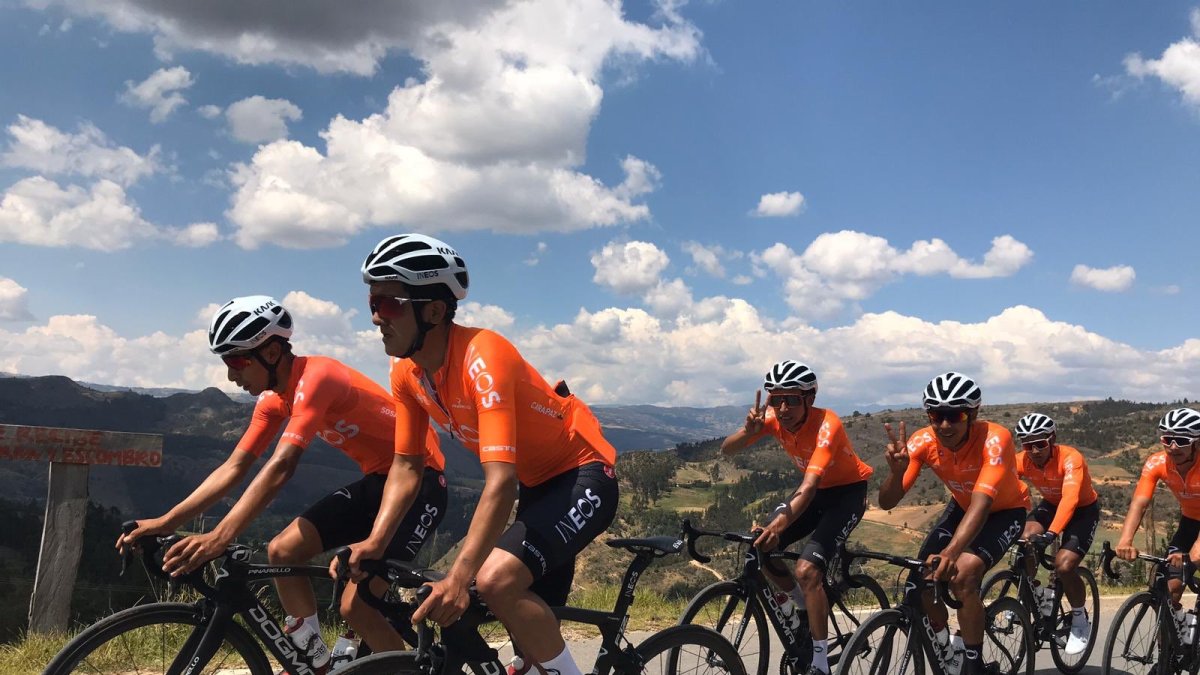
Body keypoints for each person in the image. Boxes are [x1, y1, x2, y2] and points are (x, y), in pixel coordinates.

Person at [117, 295, 447, 661]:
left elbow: (282, 465)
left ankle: (403, 670)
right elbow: (233, 467)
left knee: (357, 608)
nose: (231, 374)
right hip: (378, 483)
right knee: (281, 550)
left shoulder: (318, 376)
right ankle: (315, 659)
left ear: (272, 353)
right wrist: (166, 522)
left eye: (237, 360)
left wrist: (219, 537)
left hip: (421, 484)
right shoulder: (274, 400)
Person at [354, 233, 618, 675]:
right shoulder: (407, 372)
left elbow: (500, 481)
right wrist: (375, 543)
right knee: (523, 642)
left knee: (493, 581)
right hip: (539, 488)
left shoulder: (484, 357)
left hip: (583, 474)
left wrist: (459, 578)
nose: (377, 317)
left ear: (434, 310)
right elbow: (406, 464)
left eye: (389, 303)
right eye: (372, 303)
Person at [721, 360, 873, 675]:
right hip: (813, 494)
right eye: (776, 399)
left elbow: (809, 485)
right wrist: (748, 432)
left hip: (846, 495)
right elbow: (727, 450)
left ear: (810, 399)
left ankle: (820, 662)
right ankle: (800, 604)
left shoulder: (827, 424)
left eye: (792, 399)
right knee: (760, 546)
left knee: (806, 570)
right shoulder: (774, 419)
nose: (784, 407)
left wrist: (778, 525)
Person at [878, 372, 1030, 675]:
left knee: (963, 577)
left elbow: (983, 503)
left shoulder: (995, 438)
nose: (944, 424)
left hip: (1004, 511)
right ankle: (946, 646)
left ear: (972, 414)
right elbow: (887, 502)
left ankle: (972, 663)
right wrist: (896, 473)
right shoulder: (922, 440)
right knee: (922, 578)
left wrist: (950, 554)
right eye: (936, 415)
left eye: (954, 415)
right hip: (962, 506)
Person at [1012, 412, 1099, 655]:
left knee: (1064, 566)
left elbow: (1070, 499)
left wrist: (1052, 533)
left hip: (1082, 510)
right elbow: (1000, 482)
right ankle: (1036, 593)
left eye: (1040, 443)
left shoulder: (1071, 458)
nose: (1035, 450)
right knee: (1024, 538)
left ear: (1052, 439)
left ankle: (1080, 618)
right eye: (1028, 445)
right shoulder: (1021, 460)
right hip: (1051, 505)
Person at [1115, 407, 1200, 628]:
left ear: (1196, 442)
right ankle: (1168, 653)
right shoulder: (1157, 463)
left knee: (1189, 563)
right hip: (1190, 521)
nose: (1173, 446)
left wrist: (1191, 558)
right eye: (1167, 439)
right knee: (1167, 588)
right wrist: (1125, 541)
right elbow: (1139, 503)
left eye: (1181, 440)